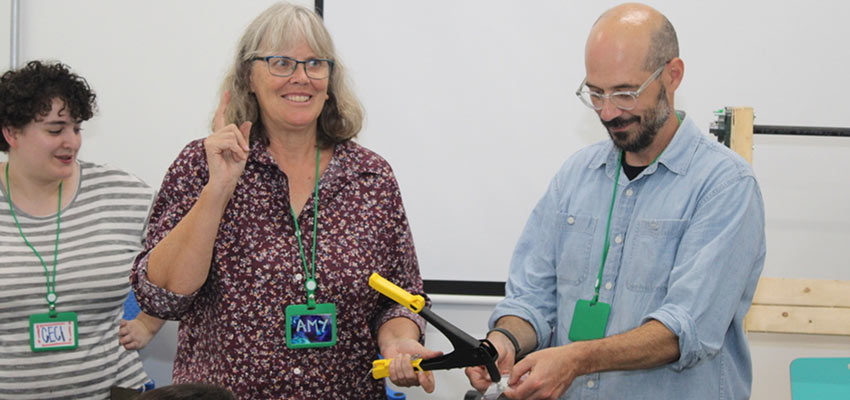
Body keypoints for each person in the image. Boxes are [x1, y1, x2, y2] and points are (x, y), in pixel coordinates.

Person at [130, 3, 438, 399]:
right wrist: (218, 188)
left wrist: (398, 344)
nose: (301, 78)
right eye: (281, 63)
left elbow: (398, 298)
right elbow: (162, 297)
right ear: (249, 77)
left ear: (330, 80)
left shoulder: (370, 176)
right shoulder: (203, 163)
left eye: (315, 64)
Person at [465, 3, 766, 400]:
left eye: (625, 93)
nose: (608, 112)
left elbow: (686, 330)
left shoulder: (725, 186)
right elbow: (531, 300)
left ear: (672, 76)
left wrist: (576, 359)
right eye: (595, 93)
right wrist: (505, 340)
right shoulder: (575, 176)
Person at [0, 60, 164, 399]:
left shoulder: (122, 193)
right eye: (55, 129)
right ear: (11, 132)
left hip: (110, 390)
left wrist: (149, 322)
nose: (71, 142)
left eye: (76, 128)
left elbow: (185, 257)